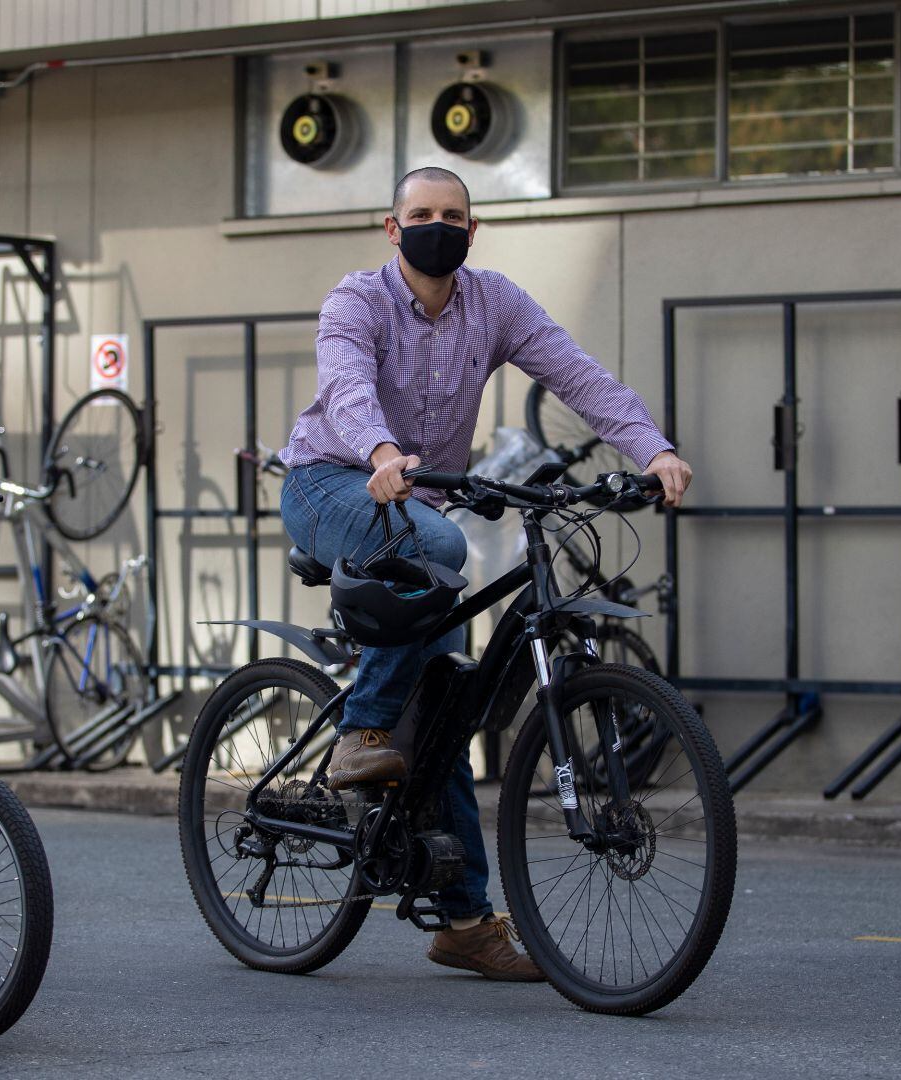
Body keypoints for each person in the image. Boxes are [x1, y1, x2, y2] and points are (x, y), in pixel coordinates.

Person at [278, 166, 694, 981]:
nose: (440, 225)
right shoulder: (355, 300)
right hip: (332, 481)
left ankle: (463, 919)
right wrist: (383, 448)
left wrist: (653, 448)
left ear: (474, 230)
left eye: (454, 215)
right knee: (443, 550)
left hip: (417, 498)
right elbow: (347, 385)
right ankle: (358, 732)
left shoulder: (494, 303)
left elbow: (577, 375)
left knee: (447, 699)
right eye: (422, 214)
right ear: (393, 229)